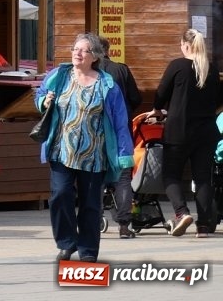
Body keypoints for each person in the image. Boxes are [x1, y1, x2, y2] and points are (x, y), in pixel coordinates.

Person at [35, 32, 133, 263]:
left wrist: (124, 154)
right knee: (60, 195)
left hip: (94, 155)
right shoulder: (59, 76)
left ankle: (88, 249)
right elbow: (39, 94)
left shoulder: (107, 85)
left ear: (95, 56)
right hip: (61, 150)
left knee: (91, 204)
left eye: (84, 50)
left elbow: (120, 122)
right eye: (75, 48)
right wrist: (44, 101)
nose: (77, 53)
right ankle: (67, 243)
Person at [148, 28, 220, 238]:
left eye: (181, 45)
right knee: (203, 178)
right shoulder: (212, 69)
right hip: (206, 132)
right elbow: (217, 100)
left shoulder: (177, 66)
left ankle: (182, 213)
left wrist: (157, 110)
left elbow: (161, 93)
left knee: (170, 175)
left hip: (179, 131)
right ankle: (204, 226)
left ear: (186, 46)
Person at [98, 37, 142, 239]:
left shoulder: (87, 73)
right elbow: (136, 97)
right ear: (108, 50)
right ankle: (124, 226)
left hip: (96, 132)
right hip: (120, 130)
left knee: (94, 176)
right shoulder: (121, 70)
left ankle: (94, 219)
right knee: (123, 178)